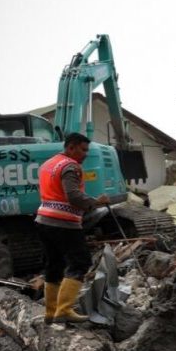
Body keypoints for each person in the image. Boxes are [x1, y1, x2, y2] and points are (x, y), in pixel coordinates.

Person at [35, 132, 110, 324]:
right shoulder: (70, 166)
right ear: (71, 147)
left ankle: (51, 313)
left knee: (54, 265)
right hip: (64, 223)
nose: (85, 154)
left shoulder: (48, 164)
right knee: (80, 262)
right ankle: (64, 310)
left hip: (43, 220)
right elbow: (74, 196)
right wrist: (96, 202)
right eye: (83, 149)